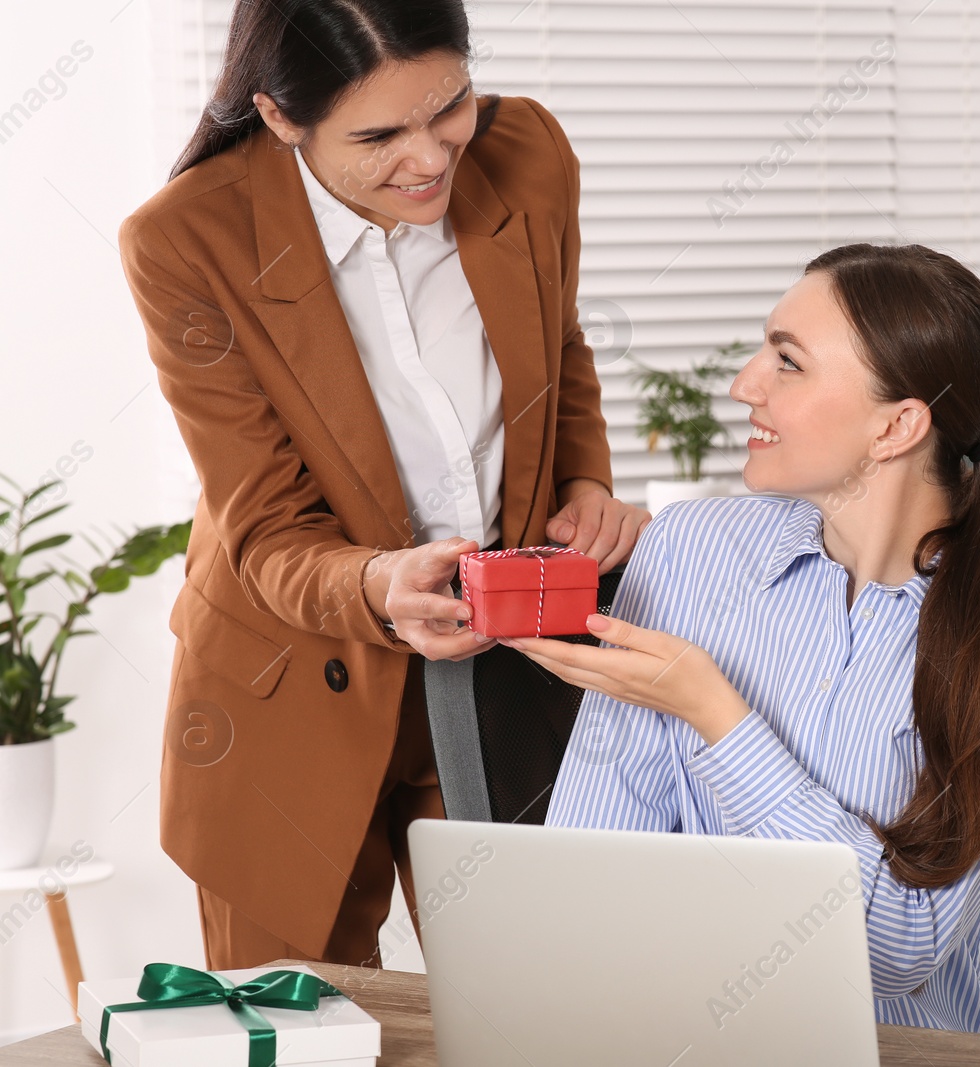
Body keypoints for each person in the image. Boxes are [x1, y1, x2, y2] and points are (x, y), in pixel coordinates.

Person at [118, 0, 649, 970]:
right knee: (298, 1015)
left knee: (536, 997)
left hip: (504, 669)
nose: (430, 157)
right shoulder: (188, 239)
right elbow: (265, 523)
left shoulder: (526, 151)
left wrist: (586, 478)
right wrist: (374, 585)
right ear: (279, 116)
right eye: (378, 135)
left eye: (447, 107)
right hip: (290, 692)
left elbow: (558, 347)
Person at [501, 243, 980, 1033]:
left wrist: (718, 717)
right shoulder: (689, 549)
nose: (745, 384)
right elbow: (584, 878)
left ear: (898, 424)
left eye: (787, 361)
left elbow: (896, 949)